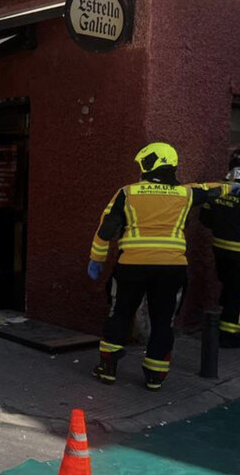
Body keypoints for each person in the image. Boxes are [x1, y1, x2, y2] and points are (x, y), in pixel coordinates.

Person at [88, 142, 236, 390]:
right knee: (163, 320)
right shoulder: (185, 194)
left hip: (131, 267)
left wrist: (97, 260)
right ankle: (155, 376)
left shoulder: (127, 193)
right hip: (171, 269)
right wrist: (232, 188)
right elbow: (209, 191)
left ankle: (107, 368)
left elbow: (106, 230)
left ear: (149, 165)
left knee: (120, 314)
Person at [200, 148, 240, 348]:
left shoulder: (219, 189)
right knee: (236, 293)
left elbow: (204, 218)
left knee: (230, 287)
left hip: (220, 248)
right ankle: (230, 334)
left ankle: (226, 325)